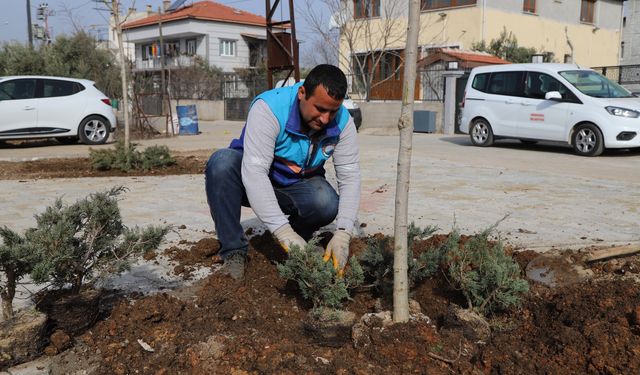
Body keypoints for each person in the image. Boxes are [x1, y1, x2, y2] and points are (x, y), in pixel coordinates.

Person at [204, 64, 361, 280]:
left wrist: (343, 233)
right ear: (302, 94)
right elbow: (256, 173)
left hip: (295, 185)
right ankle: (233, 251)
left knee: (326, 201)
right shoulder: (269, 108)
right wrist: (282, 231)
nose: (325, 119)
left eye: (332, 111)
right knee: (221, 163)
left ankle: (297, 241)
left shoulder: (343, 123)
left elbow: (350, 177)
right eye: (319, 109)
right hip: (250, 180)